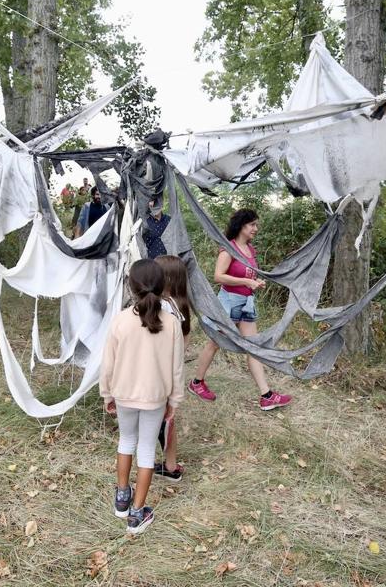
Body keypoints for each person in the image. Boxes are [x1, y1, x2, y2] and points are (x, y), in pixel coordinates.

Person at [100, 259, 184, 534]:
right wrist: (174, 401)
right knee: (146, 450)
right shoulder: (172, 323)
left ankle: (122, 497)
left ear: (131, 287)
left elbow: (108, 364)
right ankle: (137, 513)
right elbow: (177, 367)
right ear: (163, 286)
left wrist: (107, 394)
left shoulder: (120, 321)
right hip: (155, 398)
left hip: (123, 394)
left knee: (126, 441)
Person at [189, 209, 292, 411]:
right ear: (241, 225)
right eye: (252, 224)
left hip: (246, 304)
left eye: (256, 224)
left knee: (254, 347)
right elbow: (218, 276)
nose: (256, 228)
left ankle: (266, 395)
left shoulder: (250, 250)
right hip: (228, 302)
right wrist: (246, 281)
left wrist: (254, 282)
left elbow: (247, 274)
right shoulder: (229, 248)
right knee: (215, 344)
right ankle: (196, 383)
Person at [153, 255, 191, 482]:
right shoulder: (180, 305)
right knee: (168, 420)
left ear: (165, 278)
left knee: (161, 421)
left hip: (160, 373)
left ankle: (166, 465)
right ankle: (171, 464)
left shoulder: (164, 307)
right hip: (171, 372)